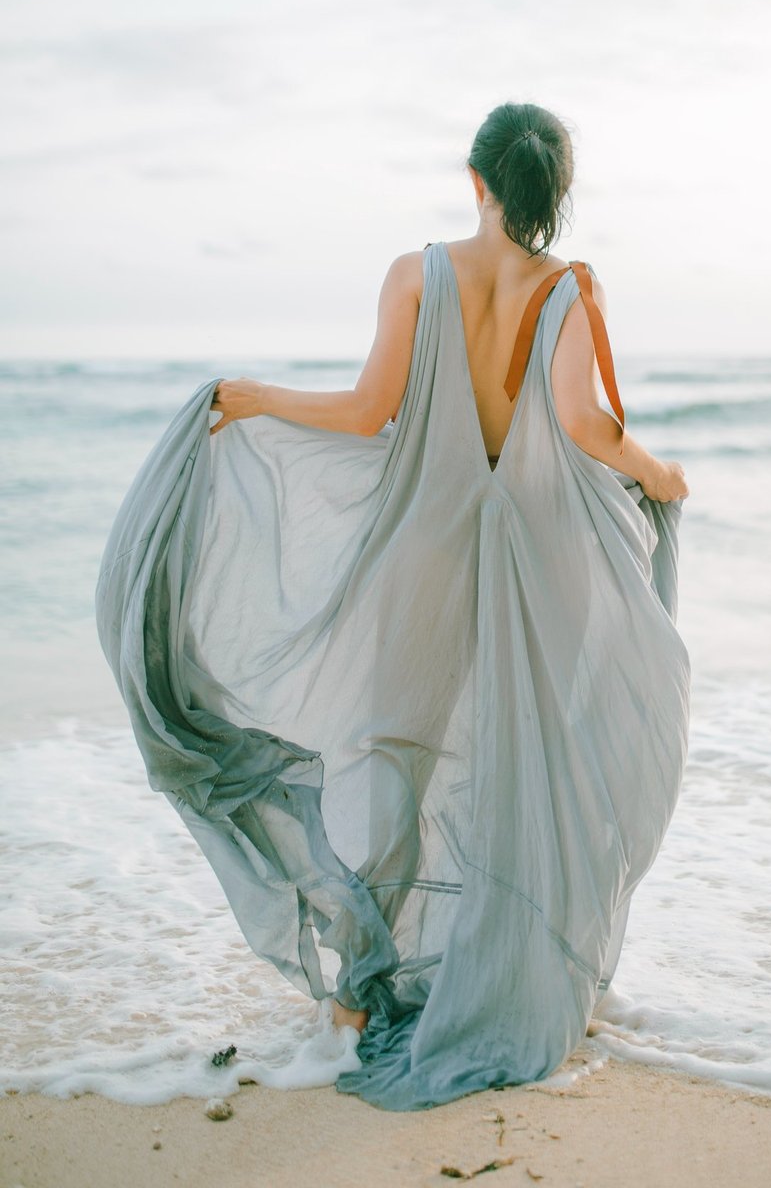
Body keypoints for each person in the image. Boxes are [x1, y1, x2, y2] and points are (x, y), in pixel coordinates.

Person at [96, 100, 692, 1112]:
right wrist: (660, 474)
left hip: (428, 540)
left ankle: (358, 999)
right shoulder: (571, 287)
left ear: (476, 180)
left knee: (400, 756)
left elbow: (369, 411)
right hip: (536, 551)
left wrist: (259, 398)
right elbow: (585, 424)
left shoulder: (416, 273)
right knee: (534, 757)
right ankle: (537, 969)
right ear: (554, 192)